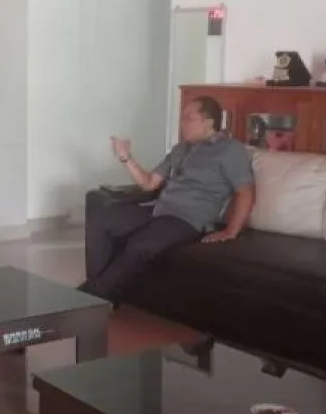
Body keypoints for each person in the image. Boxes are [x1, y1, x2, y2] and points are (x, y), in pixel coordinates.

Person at [81, 96, 255, 302]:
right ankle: (101, 294)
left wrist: (231, 231)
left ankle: (89, 297)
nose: (182, 124)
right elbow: (149, 183)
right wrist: (125, 157)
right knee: (103, 220)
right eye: (182, 118)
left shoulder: (230, 149)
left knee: (140, 244)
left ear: (209, 122)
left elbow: (245, 190)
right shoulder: (180, 149)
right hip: (159, 210)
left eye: (188, 118)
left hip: (188, 219)